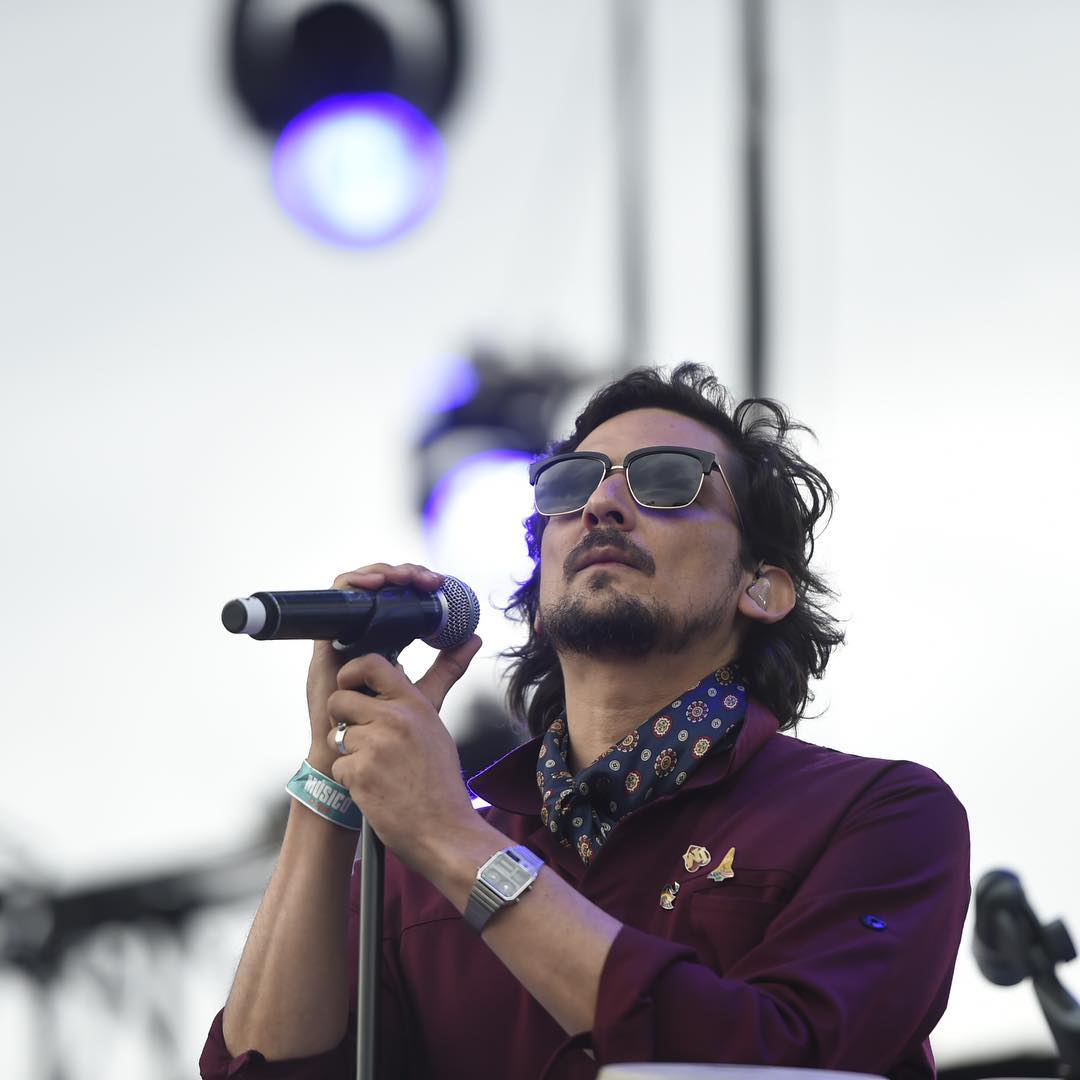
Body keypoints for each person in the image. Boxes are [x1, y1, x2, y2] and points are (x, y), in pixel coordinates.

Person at [200, 364, 970, 1079]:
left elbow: (777, 1062)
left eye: (666, 480)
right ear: (538, 599)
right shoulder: (411, 876)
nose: (601, 504)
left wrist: (453, 840)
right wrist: (330, 775)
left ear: (762, 587)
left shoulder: (880, 814)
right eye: (570, 486)